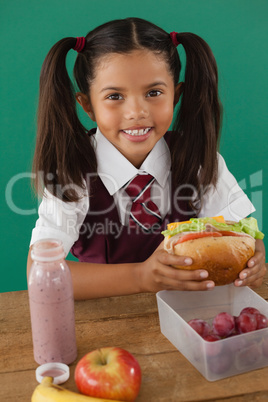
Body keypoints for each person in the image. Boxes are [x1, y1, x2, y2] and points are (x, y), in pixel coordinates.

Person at [27, 17, 266, 299]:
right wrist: (142, 277)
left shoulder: (199, 159)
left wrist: (254, 259)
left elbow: (239, 237)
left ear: (175, 96)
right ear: (88, 106)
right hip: (105, 316)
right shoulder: (73, 170)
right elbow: (39, 274)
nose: (136, 112)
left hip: (188, 313)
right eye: (115, 96)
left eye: (154, 93)